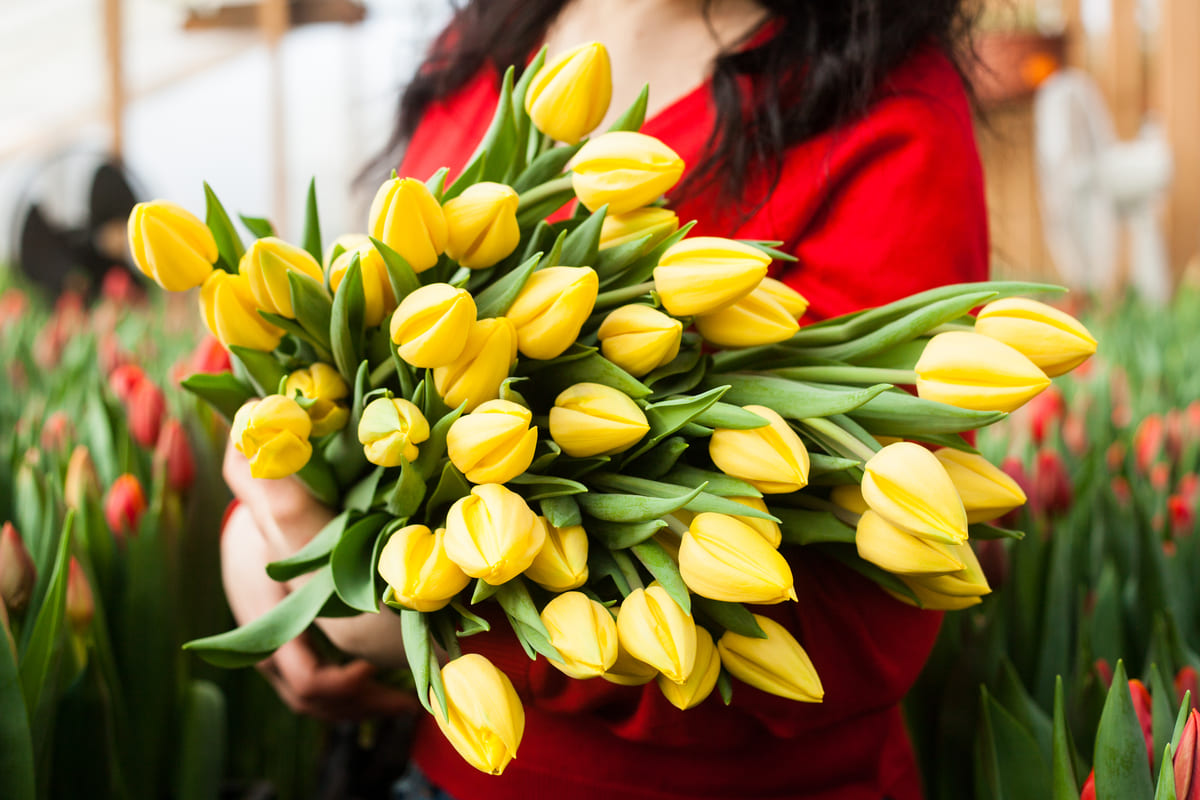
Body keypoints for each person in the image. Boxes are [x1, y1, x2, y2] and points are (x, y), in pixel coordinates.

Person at [221, 1, 987, 797]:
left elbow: (863, 628)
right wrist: (273, 539)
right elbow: (368, 353)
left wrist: (432, 630)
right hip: (449, 769)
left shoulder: (888, 96)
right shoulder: (482, 49)